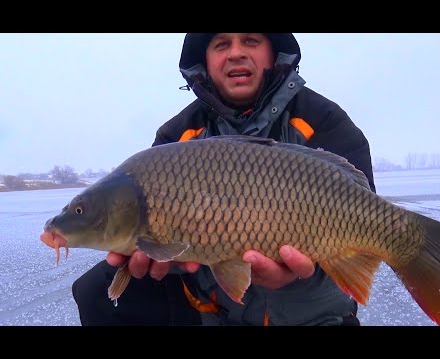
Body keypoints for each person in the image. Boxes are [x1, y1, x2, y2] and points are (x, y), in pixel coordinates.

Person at [72, 33, 376, 326]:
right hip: (216, 312)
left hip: (314, 316)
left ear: (274, 53)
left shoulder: (323, 119)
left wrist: (297, 274)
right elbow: (172, 253)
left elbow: (363, 229)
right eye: (221, 44)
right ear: (204, 61)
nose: (235, 53)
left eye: (251, 41)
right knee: (96, 290)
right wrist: (170, 261)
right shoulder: (176, 137)